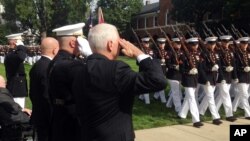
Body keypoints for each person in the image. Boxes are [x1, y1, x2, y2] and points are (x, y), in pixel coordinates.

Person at [73, 23, 167, 141]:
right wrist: (139, 53)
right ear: (110, 44)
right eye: (119, 42)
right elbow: (158, 80)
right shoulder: (116, 69)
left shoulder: (79, 70)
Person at [48, 23, 91, 141]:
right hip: (72, 120)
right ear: (73, 43)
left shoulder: (54, 61)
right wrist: (91, 56)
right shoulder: (73, 65)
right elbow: (95, 81)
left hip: (58, 116)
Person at [29, 37, 59, 141]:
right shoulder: (49, 67)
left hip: (39, 113)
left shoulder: (37, 65)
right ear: (55, 50)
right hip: (47, 117)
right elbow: (47, 95)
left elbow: (32, 93)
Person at [178, 34, 203, 128]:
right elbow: (181, 69)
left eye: (196, 44)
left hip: (195, 79)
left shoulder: (197, 54)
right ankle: (196, 120)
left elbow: (200, 67)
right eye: (193, 45)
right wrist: (189, 71)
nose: (195, 46)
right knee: (192, 99)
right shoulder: (183, 56)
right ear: (189, 45)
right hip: (188, 80)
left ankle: (182, 114)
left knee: (189, 98)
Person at [198, 36, 222, 125]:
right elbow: (201, 68)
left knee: (208, 97)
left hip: (213, 78)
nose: (212, 46)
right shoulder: (203, 54)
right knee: (211, 97)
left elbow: (218, 66)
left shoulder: (215, 53)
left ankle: (200, 111)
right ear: (207, 44)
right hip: (206, 78)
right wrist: (210, 70)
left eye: (214, 44)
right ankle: (215, 117)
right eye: (211, 44)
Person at [215, 34, 237, 122]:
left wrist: (235, 76)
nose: (226, 43)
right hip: (222, 77)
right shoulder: (218, 52)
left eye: (227, 42)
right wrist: (222, 76)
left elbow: (233, 64)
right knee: (226, 95)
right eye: (225, 42)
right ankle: (229, 114)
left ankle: (213, 110)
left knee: (222, 95)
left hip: (228, 77)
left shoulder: (230, 51)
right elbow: (219, 66)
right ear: (221, 42)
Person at [4, 33, 28, 109]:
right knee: (18, 108)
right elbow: (22, 57)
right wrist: (21, 46)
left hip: (16, 84)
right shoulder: (11, 55)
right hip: (16, 86)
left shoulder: (13, 54)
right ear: (15, 43)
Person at [232, 36, 250, 120]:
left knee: (240, 94)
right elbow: (235, 67)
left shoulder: (247, 53)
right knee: (244, 95)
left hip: (247, 77)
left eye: (246, 43)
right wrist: (235, 77)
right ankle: (248, 113)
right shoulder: (237, 54)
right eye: (243, 43)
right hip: (241, 77)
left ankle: (233, 108)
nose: (245, 45)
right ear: (240, 44)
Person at [165, 35, 183, 113]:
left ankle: (168, 104)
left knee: (176, 91)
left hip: (179, 74)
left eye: (180, 43)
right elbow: (168, 64)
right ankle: (178, 109)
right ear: (173, 43)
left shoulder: (182, 52)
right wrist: (175, 66)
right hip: (172, 75)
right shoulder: (169, 52)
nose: (179, 44)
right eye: (177, 43)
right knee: (176, 92)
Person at [138, 37, 154, 104]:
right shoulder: (140, 51)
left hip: (150, 69)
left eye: (148, 43)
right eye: (145, 43)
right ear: (143, 43)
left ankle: (141, 97)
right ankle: (147, 101)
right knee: (145, 84)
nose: (147, 44)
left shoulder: (151, 50)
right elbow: (137, 62)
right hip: (143, 69)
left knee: (147, 84)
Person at [153, 37, 168, 103]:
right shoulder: (155, 52)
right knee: (162, 83)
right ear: (158, 44)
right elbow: (154, 60)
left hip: (165, 69)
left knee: (161, 83)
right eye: (160, 44)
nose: (162, 45)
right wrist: (160, 61)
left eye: (163, 43)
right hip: (159, 68)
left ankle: (156, 96)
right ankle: (163, 99)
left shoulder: (166, 51)